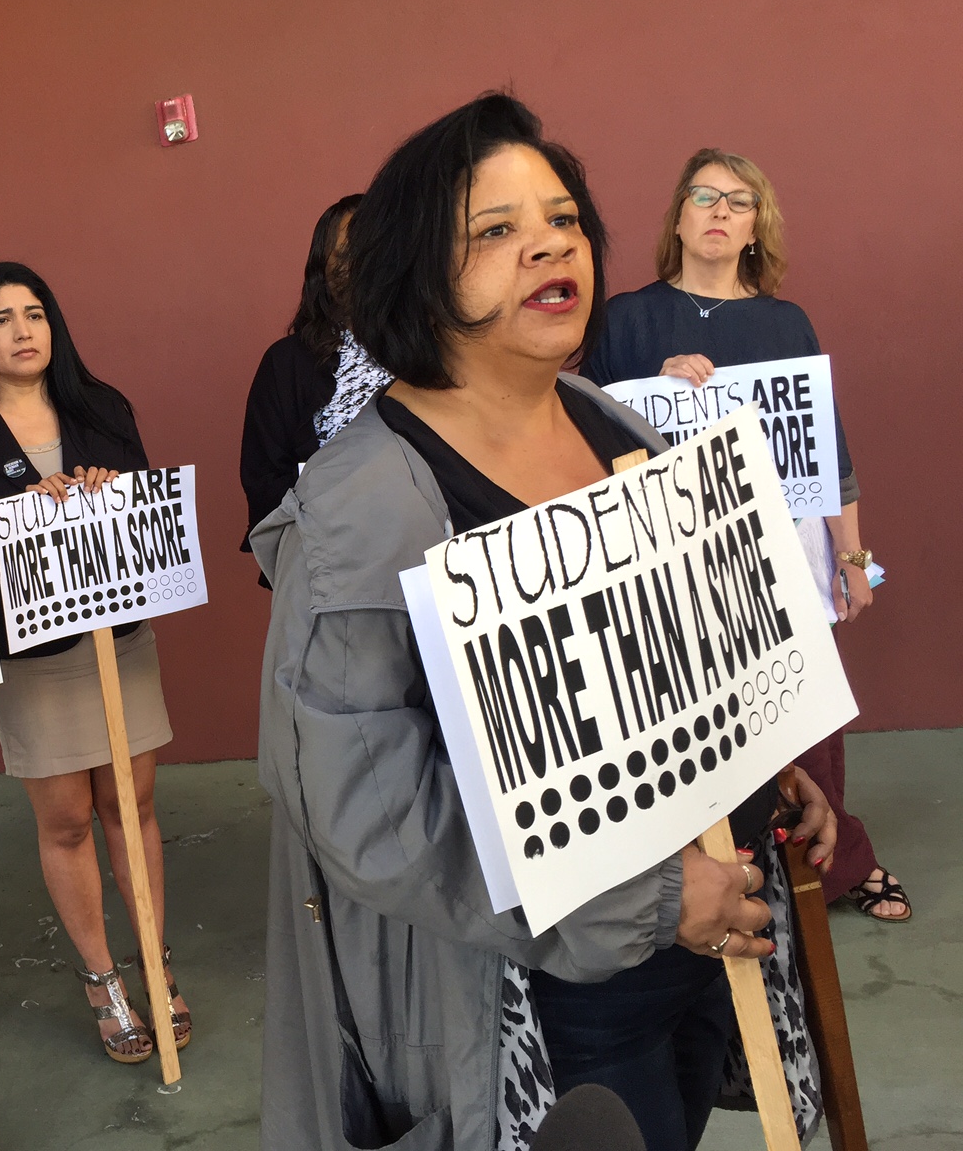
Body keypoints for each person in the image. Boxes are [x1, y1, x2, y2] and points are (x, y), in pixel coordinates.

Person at [251, 96, 837, 1151]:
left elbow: (688, 661)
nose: (548, 245)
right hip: (545, 1003)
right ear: (417, 276)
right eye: (495, 230)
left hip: (706, 954)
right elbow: (373, 819)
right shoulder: (358, 509)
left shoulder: (623, 430)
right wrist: (655, 903)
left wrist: (764, 771)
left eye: (562, 219)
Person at [582, 150, 905, 924]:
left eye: (739, 201)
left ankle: (834, 864)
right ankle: (722, 869)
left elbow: (825, 449)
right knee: (700, 722)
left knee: (806, 718)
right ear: (680, 216)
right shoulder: (626, 318)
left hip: (779, 551)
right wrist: (650, 389)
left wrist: (853, 558)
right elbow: (579, 424)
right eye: (704, 196)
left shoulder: (785, 322)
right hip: (670, 556)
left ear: (758, 226)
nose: (720, 211)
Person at [0, 262, 191, 1064]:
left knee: (132, 805)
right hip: (34, 654)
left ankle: (153, 961)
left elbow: (150, 518)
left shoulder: (104, 408)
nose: (22, 330)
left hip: (121, 637)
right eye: (1, 318)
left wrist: (112, 494)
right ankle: (102, 981)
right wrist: (19, 521)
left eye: (34, 313)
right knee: (67, 816)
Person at [238, 193, 390, 559]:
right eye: (349, 251)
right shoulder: (286, 364)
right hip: (328, 562)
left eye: (379, 246)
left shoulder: (438, 352)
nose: (365, 262)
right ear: (323, 270)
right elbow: (264, 479)